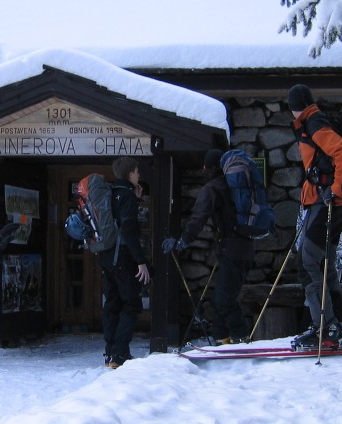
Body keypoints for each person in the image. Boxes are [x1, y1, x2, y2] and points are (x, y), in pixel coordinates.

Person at [162, 149, 254, 345]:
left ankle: (241, 336)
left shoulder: (212, 189)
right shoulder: (236, 187)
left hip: (231, 249)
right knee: (223, 294)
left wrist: (183, 241)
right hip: (245, 248)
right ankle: (222, 337)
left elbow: (198, 218)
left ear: (207, 168)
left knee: (223, 299)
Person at [288, 84, 342, 349]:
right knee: (324, 263)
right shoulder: (313, 121)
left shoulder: (314, 123)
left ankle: (325, 328)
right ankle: (338, 325)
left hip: (328, 202)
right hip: (325, 202)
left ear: (294, 105)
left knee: (308, 263)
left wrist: (335, 189)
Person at [100, 156, 151, 368]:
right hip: (122, 258)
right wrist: (141, 261)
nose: (139, 175)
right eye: (137, 172)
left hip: (106, 257)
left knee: (112, 303)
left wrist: (136, 198)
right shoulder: (127, 196)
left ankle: (110, 353)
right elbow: (129, 230)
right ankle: (120, 354)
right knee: (130, 303)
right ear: (130, 174)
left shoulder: (110, 194)